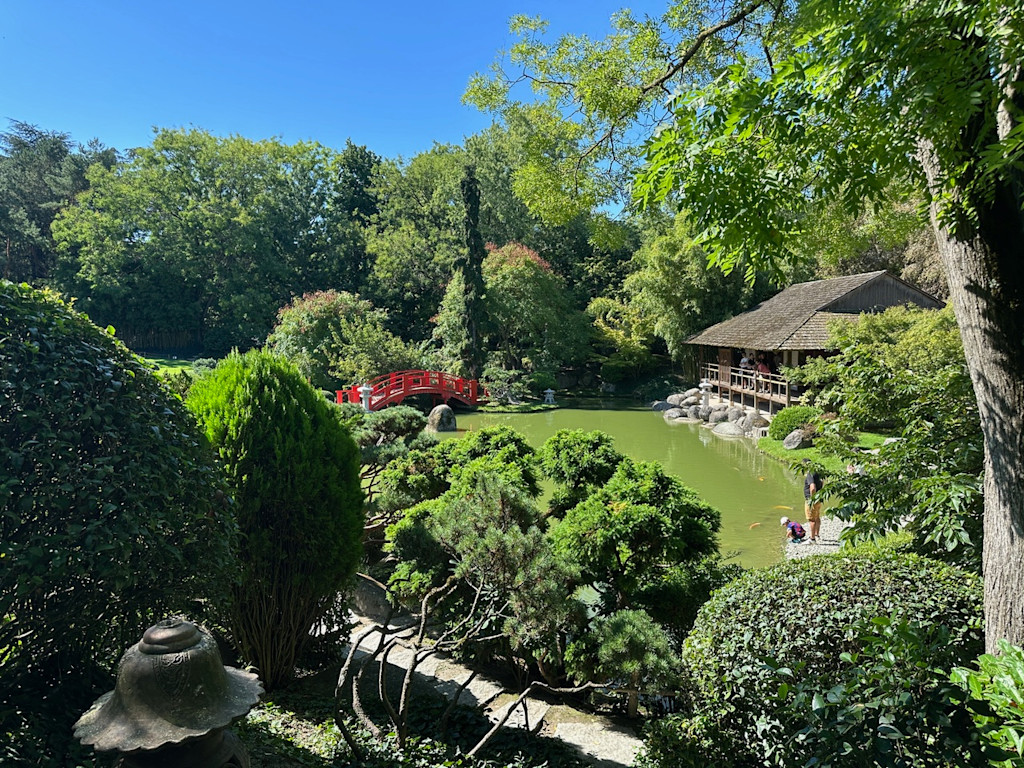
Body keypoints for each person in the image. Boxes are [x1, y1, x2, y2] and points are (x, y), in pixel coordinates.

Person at [803, 460, 824, 543]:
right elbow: (822, 482)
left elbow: (812, 487)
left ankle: (812, 539)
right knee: (817, 517)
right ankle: (816, 535)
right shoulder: (817, 473)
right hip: (819, 499)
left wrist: (812, 499)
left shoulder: (810, 474)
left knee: (811, 519)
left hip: (811, 500)